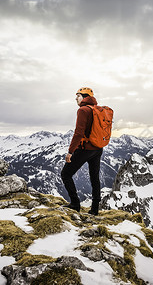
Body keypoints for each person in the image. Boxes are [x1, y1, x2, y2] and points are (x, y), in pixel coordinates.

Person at [61, 87, 103, 215]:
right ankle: (95, 209)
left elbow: (78, 133)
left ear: (85, 97)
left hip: (85, 149)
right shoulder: (97, 109)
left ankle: (75, 204)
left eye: (78, 96)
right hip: (98, 148)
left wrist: (70, 152)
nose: (76, 98)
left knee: (66, 174)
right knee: (94, 178)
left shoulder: (83, 110)